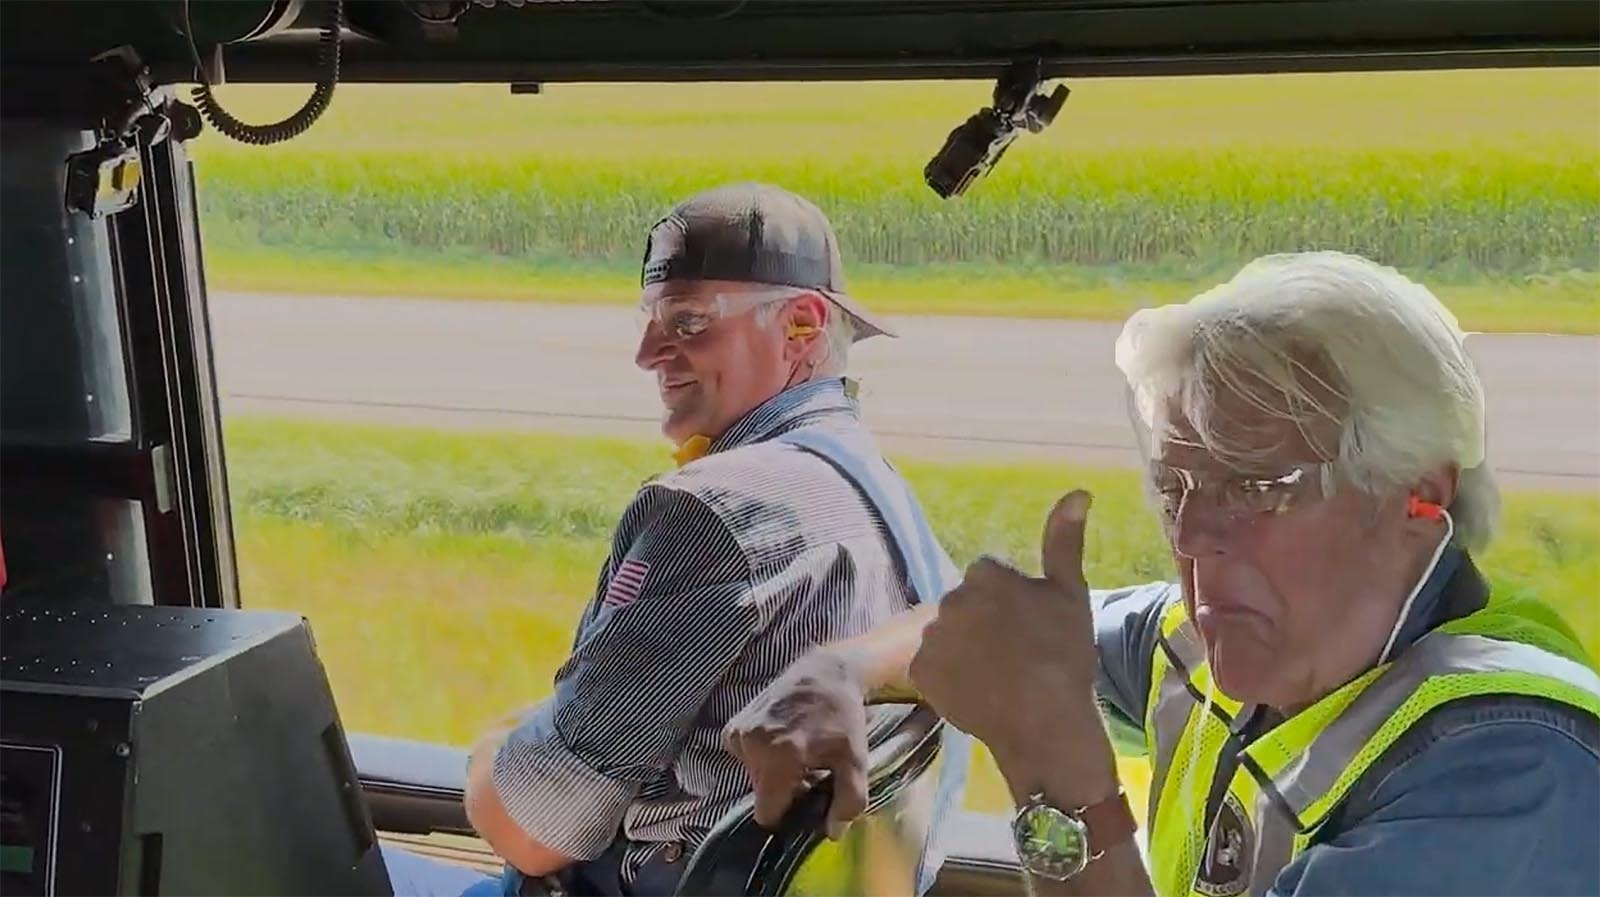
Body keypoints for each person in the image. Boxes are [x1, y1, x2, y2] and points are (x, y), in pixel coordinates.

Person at [725, 251, 1600, 896]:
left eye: (1258, 486)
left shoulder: (1511, 772)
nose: (1196, 537)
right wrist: (838, 670)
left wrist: (1055, 776)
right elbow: (999, 638)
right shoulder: (1215, 638)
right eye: (1177, 485)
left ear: (1417, 496)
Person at [383, 182, 967, 896]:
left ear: (804, 327)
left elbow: (532, 830)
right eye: (651, 320)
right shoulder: (878, 490)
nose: (647, 353)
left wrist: (490, 756)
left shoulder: (714, 512)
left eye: (688, 322)